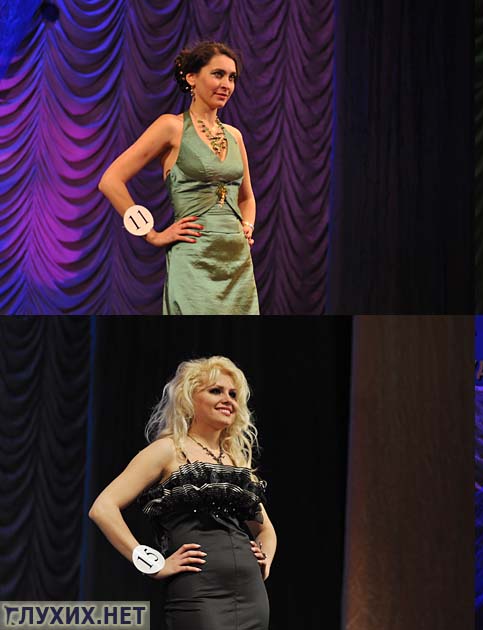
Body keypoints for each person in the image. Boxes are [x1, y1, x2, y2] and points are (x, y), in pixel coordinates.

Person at [89, 356, 274, 630]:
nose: (228, 400)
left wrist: (264, 557)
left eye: (233, 394)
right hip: (199, 592)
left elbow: (265, 529)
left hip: (251, 596)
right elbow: (103, 508)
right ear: (190, 399)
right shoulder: (167, 450)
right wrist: (152, 563)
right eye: (216, 391)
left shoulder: (237, 462)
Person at [99, 41, 260, 314]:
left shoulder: (235, 136)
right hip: (193, 257)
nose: (226, 84)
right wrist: (151, 234)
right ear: (191, 78)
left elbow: (247, 197)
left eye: (232, 77)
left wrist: (247, 225)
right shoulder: (171, 127)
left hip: (237, 263)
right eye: (218, 74)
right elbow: (110, 180)